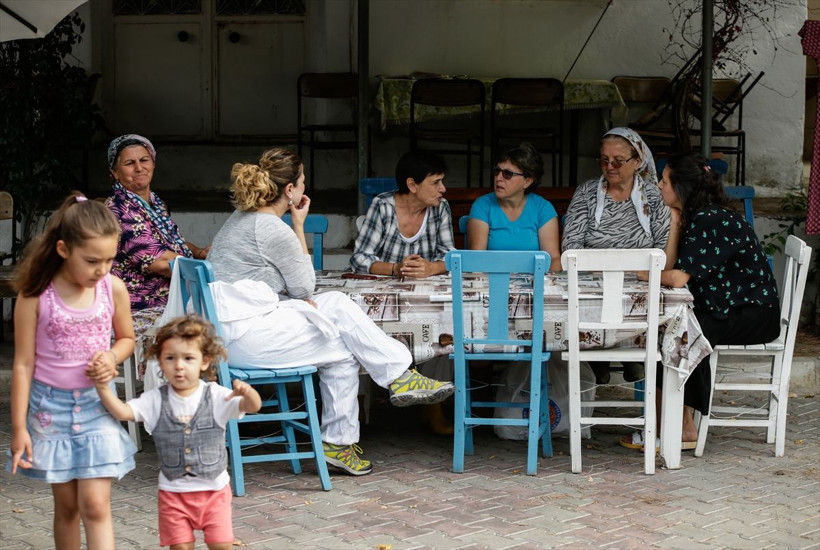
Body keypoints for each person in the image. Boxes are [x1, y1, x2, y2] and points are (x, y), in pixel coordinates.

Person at [205, 147, 455, 475]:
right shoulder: (272, 228)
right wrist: (298, 225)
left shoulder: (241, 218)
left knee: (342, 349)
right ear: (290, 190)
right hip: (244, 336)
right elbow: (304, 287)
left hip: (230, 331)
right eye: (303, 181)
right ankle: (398, 375)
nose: (306, 188)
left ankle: (340, 442)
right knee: (336, 304)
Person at [621, 153, 780, 450]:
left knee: (679, 335)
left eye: (664, 181)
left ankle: (679, 429)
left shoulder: (712, 219)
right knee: (674, 332)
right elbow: (671, 266)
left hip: (752, 313)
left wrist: (642, 273)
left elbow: (678, 278)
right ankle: (672, 425)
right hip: (727, 308)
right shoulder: (698, 217)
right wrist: (675, 222)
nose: (658, 185)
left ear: (682, 187)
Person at [7, 192, 137, 550]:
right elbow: (23, 363)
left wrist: (112, 356)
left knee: (95, 505)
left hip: (98, 407)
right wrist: (19, 428)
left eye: (110, 260)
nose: (102, 270)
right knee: (66, 508)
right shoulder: (35, 295)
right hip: (50, 411)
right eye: (93, 260)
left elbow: (127, 338)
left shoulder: (113, 288)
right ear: (63, 249)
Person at [95, 315, 262, 550]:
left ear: (204, 361)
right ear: (161, 363)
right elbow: (123, 412)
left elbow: (252, 407)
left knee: (221, 545)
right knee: (180, 547)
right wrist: (103, 388)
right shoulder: (155, 399)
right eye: (170, 358)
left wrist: (248, 393)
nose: (179, 365)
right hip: (173, 494)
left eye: (188, 358)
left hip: (214, 492)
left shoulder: (215, 395)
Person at [562, 127, 672, 384]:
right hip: (593, 283)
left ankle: (622, 352)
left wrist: (631, 270)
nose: (609, 166)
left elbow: (663, 247)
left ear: (637, 162)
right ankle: (603, 353)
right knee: (589, 301)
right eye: (604, 160)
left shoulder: (655, 196)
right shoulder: (587, 193)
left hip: (641, 283)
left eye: (618, 161)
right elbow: (572, 246)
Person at [105, 134, 209, 338]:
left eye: (144, 160)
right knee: (209, 325)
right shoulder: (118, 209)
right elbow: (159, 260)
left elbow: (165, 242)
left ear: (153, 163)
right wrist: (205, 269)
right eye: (129, 163)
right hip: (141, 307)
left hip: (170, 299)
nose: (139, 167)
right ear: (115, 173)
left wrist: (198, 252)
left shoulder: (153, 201)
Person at [350, 150, 455, 278]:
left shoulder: (440, 207)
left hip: (426, 288)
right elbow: (359, 258)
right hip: (383, 289)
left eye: (442, 181)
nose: (443, 188)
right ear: (412, 185)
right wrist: (395, 269)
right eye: (435, 182)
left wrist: (432, 268)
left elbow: (450, 257)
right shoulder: (383, 206)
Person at [466, 142, 562, 271]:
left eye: (507, 174)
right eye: (497, 171)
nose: (498, 178)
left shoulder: (542, 208)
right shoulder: (483, 205)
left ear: (527, 181)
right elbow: (477, 258)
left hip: (534, 283)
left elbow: (553, 259)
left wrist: (543, 285)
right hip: (492, 281)